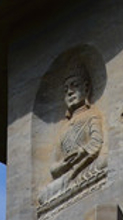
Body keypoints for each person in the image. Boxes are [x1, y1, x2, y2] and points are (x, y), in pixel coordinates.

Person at [38, 68, 105, 210]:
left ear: (86, 88)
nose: (70, 92)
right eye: (66, 89)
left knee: (103, 163)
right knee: (43, 195)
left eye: (75, 85)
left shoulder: (91, 115)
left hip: (85, 167)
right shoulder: (63, 128)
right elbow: (53, 168)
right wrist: (65, 165)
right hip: (68, 173)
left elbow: (96, 142)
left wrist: (81, 154)